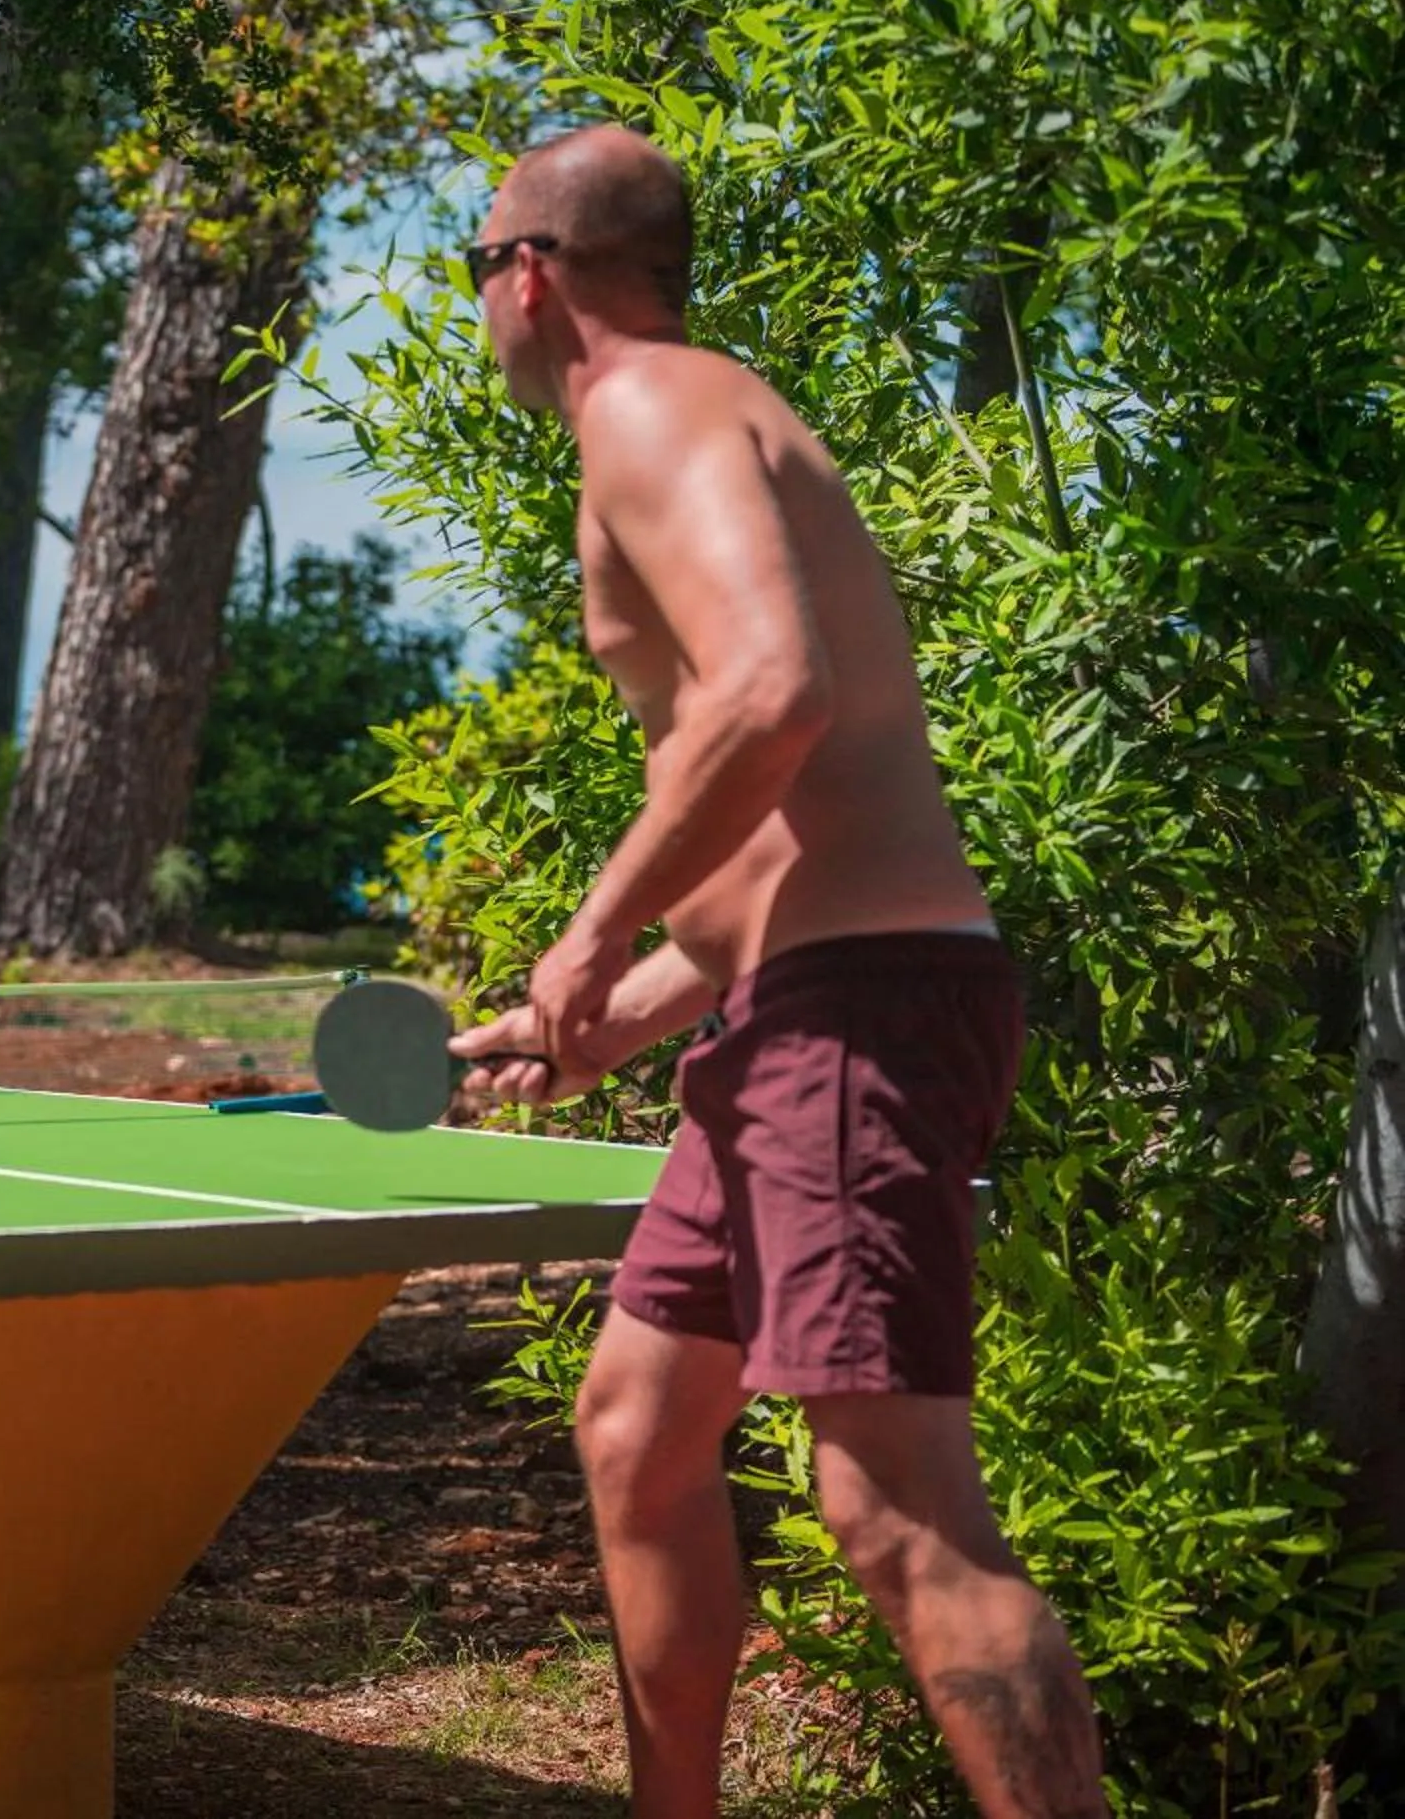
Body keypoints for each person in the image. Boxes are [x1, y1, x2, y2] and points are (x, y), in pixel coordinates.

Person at [443, 127, 1106, 1818]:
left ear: (529, 271)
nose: (480, 307)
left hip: (860, 1014)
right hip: (806, 1001)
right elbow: (778, 856)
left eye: (472, 271)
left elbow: (771, 692)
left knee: (894, 1512)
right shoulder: (673, 415)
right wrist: (603, 1011)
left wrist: (585, 929)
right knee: (638, 1434)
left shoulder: (650, 404)